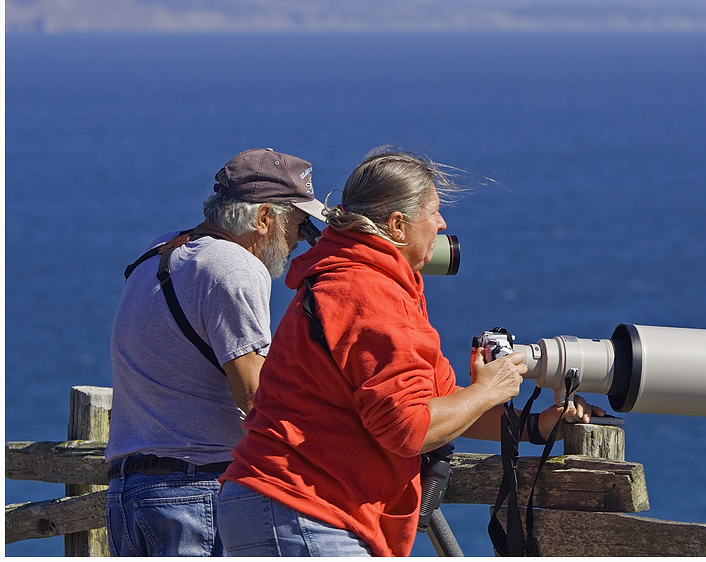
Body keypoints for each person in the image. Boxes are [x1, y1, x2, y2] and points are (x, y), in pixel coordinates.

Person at [216, 146, 603, 557]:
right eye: (433, 211)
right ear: (398, 226)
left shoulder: (366, 280)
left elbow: (440, 408)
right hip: (303, 508)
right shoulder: (366, 291)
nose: (442, 222)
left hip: (292, 507)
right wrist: (490, 389)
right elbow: (410, 430)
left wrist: (536, 427)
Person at [104, 148, 328, 557]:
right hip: (192, 491)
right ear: (264, 219)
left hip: (129, 490)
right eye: (299, 224)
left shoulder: (159, 253)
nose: (300, 240)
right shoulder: (234, 266)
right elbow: (255, 396)